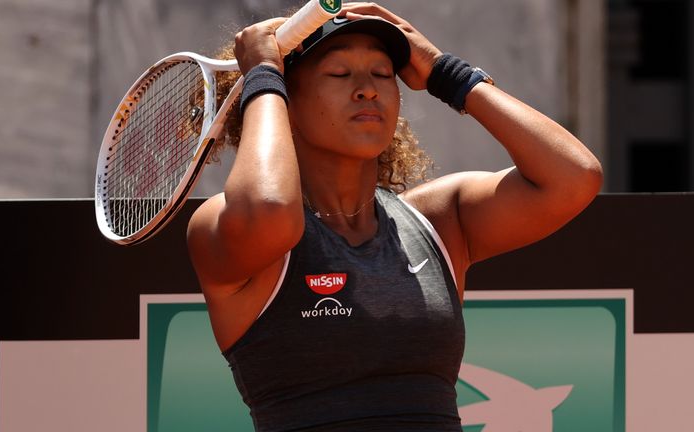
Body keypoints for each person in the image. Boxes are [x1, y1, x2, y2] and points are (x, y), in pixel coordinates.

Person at [187, 2, 603, 431]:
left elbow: (573, 177)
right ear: (283, 100)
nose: (368, 88)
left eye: (383, 74)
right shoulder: (224, 224)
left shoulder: (438, 221)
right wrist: (260, 75)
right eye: (339, 73)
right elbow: (271, 207)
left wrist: (447, 73)